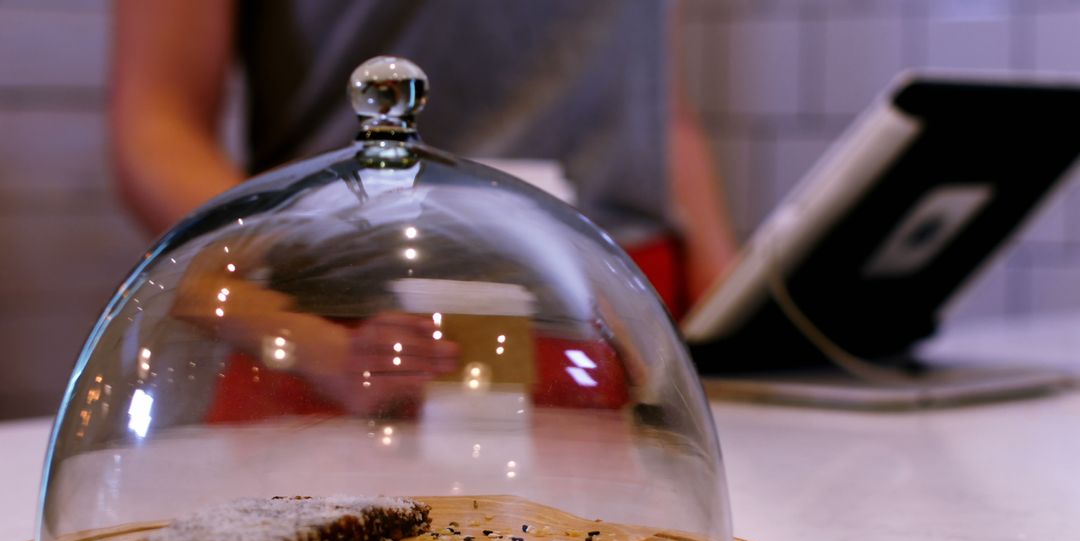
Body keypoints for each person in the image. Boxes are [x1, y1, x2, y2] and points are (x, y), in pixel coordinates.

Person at [110, 0, 738, 318]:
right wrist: (289, 315)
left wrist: (722, 315)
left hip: (616, 308)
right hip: (346, 307)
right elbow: (157, 126)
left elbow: (655, 106)